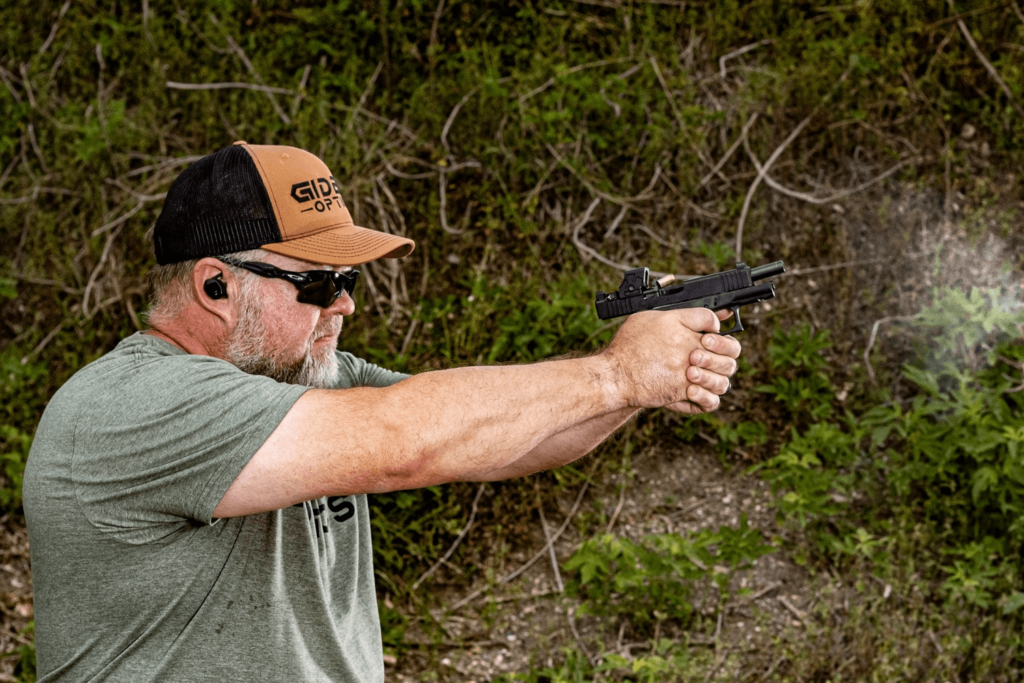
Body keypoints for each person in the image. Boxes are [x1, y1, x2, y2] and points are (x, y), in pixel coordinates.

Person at [23, 142, 741, 682]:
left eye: (351, 277)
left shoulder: (304, 381)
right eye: (322, 281)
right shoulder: (130, 407)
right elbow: (405, 440)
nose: (347, 303)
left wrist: (641, 379)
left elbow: (505, 439)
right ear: (216, 285)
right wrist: (617, 370)